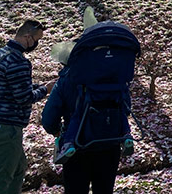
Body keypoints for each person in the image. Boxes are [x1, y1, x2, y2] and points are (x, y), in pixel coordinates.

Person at [40, 18, 139, 194]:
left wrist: (57, 131)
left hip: (77, 147)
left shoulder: (67, 80)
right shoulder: (116, 77)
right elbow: (126, 107)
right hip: (109, 144)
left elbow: (48, 118)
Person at [0, 19, 51, 194]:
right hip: (7, 126)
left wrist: (38, 86)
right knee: (2, 178)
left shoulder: (2, 53)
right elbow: (24, 97)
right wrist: (46, 89)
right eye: (37, 40)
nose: (36, 44)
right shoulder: (18, 62)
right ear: (28, 37)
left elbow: (10, 85)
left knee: (19, 168)